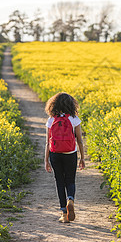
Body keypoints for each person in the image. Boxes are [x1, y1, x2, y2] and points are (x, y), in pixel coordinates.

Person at [45, 92, 85, 223]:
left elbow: (47, 142)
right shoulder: (74, 119)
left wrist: (46, 160)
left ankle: (64, 213)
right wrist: (82, 158)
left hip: (55, 153)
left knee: (60, 182)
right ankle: (70, 199)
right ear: (71, 105)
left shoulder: (51, 119)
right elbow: (79, 140)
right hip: (70, 153)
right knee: (70, 180)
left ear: (53, 105)